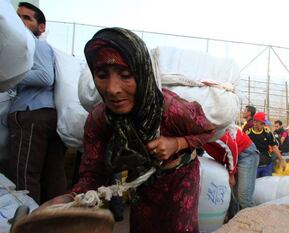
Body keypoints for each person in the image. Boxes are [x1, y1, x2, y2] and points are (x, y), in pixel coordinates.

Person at [56, 27, 217, 232]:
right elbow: (93, 173)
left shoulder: (169, 107)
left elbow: (207, 130)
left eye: (125, 75)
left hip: (180, 178)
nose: (112, 89)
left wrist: (176, 143)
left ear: (142, 72)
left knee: (178, 227)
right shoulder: (100, 120)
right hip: (142, 182)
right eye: (102, 75)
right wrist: (70, 199)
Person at [7, 2, 66, 204]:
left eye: (27, 18)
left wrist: (9, 75)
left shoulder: (36, 45)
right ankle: (57, 221)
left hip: (32, 115)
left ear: (41, 27)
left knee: (24, 175)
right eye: (18, 17)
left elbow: (44, 77)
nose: (20, 22)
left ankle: (29, 221)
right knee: (53, 176)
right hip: (43, 115)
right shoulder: (27, 49)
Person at [203, 127, 259, 217]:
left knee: (244, 197)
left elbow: (231, 147)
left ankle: (256, 223)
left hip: (245, 153)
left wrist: (231, 174)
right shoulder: (195, 136)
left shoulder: (210, 133)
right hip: (234, 155)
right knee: (234, 195)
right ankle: (235, 222)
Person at [246, 112, 285, 177]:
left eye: (264, 124)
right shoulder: (248, 134)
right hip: (254, 166)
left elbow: (274, 147)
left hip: (267, 165)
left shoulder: (267, 133)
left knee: (267, 184)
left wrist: (281, 159)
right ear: (255, 122)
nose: (263, 125)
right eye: (262, 123)